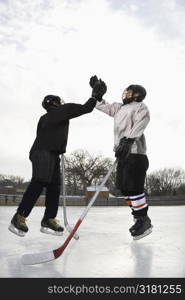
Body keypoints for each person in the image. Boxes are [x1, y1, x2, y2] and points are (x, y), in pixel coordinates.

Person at [8, 91, 103, 237]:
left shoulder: (46, 117)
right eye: (59, 101)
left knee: (54, 186)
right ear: (55, 103)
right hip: (43, 152)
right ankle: (19, 216)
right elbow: (86, 108)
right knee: (39, 181)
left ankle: (49, 219)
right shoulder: (61, 111)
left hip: (51, 153)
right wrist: (95, 96)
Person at [89, 75, 153, 240]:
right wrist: (97, 96)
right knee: (123, 188)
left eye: (130, 92)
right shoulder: (119, 108)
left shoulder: (141, 107)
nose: (126, 94)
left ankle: (143, 219)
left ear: (138, 94)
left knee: (133, 187)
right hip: (123, 153)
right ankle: (138, 215)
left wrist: (129, 139)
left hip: (135, 154)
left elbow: (141, 123)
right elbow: (104, 107)